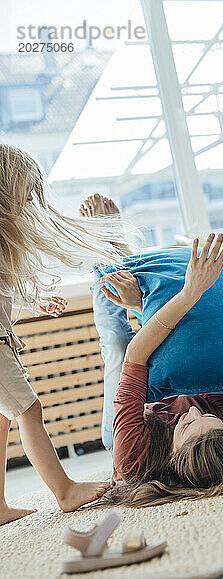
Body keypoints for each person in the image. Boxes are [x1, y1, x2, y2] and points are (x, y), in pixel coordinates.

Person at [0, 144, 140, 527]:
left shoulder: (5, 235)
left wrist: (37, 300)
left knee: (4, 417)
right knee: (29, 411)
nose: (32, 196)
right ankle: (64, 490)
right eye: (28, 187)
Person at [90, 228, 223, 509]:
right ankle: (134, 279)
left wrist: (190, 292)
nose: (194, 410)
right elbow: (202, 361)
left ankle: (102, 249)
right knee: (182, 345)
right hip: (178, 385)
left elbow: (135, 357)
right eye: (210, 417)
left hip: (138, 417)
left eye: (189, 424)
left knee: (118, 341)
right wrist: (142, 305)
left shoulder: (132, 460)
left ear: (173, 456)